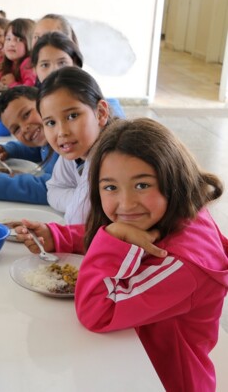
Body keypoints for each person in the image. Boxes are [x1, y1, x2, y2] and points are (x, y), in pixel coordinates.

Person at [23, 118, 228, 392]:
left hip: (163, 382)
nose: (127, 204)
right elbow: (127, 230)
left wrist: (111, 239)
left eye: (142, 185)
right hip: (132, 362)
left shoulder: (183, 266)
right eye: (110, 187)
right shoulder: (173, 213)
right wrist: (59, 236)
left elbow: (96, 312)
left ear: (174, 178)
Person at [37, 67, 114, 224]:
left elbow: (78, 219)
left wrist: (84, 203)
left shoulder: (114, 157)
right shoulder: (75, 151)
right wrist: (82, 199)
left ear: (100, 113)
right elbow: (53, 190)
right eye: (51, 122)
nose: (61, 132)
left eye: (72, 116)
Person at [0, 86, 58, 205]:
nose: (25, 128)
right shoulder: (50, 138)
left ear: (44, 102)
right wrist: (13, 150)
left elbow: (53, 189)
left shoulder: (67, 144)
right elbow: (41, 149)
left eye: (26, 114)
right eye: (16, 129)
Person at [31, 32, 126, 118]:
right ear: (35, 70)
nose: (54, 70)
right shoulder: (31, 111)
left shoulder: (110, 106)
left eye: (62, 63)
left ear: (75, 63)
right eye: (45, 65)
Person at [0, 18, 36, 88]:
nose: (11, 44)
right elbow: (2, 75)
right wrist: (3, 77)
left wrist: (12, 83)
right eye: (8, 39)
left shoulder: (28, 63)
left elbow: (29, 89)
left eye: (19, 40)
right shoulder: (12, 62)